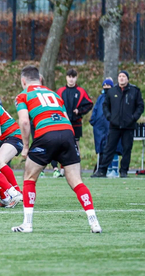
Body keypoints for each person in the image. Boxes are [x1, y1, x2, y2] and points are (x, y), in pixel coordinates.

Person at [13, 65, 102, 233]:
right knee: (76, 181)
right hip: (67, 133)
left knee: (29, 177)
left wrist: (25, 146)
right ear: (40, 79)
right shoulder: (54, 93)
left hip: (46, 133)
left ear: (23, 81)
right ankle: (94, 222)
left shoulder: (23, 95)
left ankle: (27, 224)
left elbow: (24, 122)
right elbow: (66, 117)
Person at [92, 70, 144, 178]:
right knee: (109, 148)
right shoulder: (112, 91)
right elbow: (105, 105)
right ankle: (102, 171)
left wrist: (134, 117)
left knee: (127, 149)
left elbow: (140, 106)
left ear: (127, 79)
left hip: (128, 126)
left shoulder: (134, 91)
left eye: (124, 76)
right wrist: (109, 117)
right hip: (114, 125)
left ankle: (123, 171)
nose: (121, 78)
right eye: (120, 76)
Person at [89, 78, 122, 177]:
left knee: (112, 148)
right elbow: (95, 110)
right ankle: (102, 170)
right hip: (100, 128)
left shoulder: (115, 97)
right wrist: (93, 121)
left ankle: (113, 169)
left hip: (110, 126)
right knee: (101, 149)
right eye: (105, 86)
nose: (106, 87)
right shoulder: (100, 98)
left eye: (108, 86)